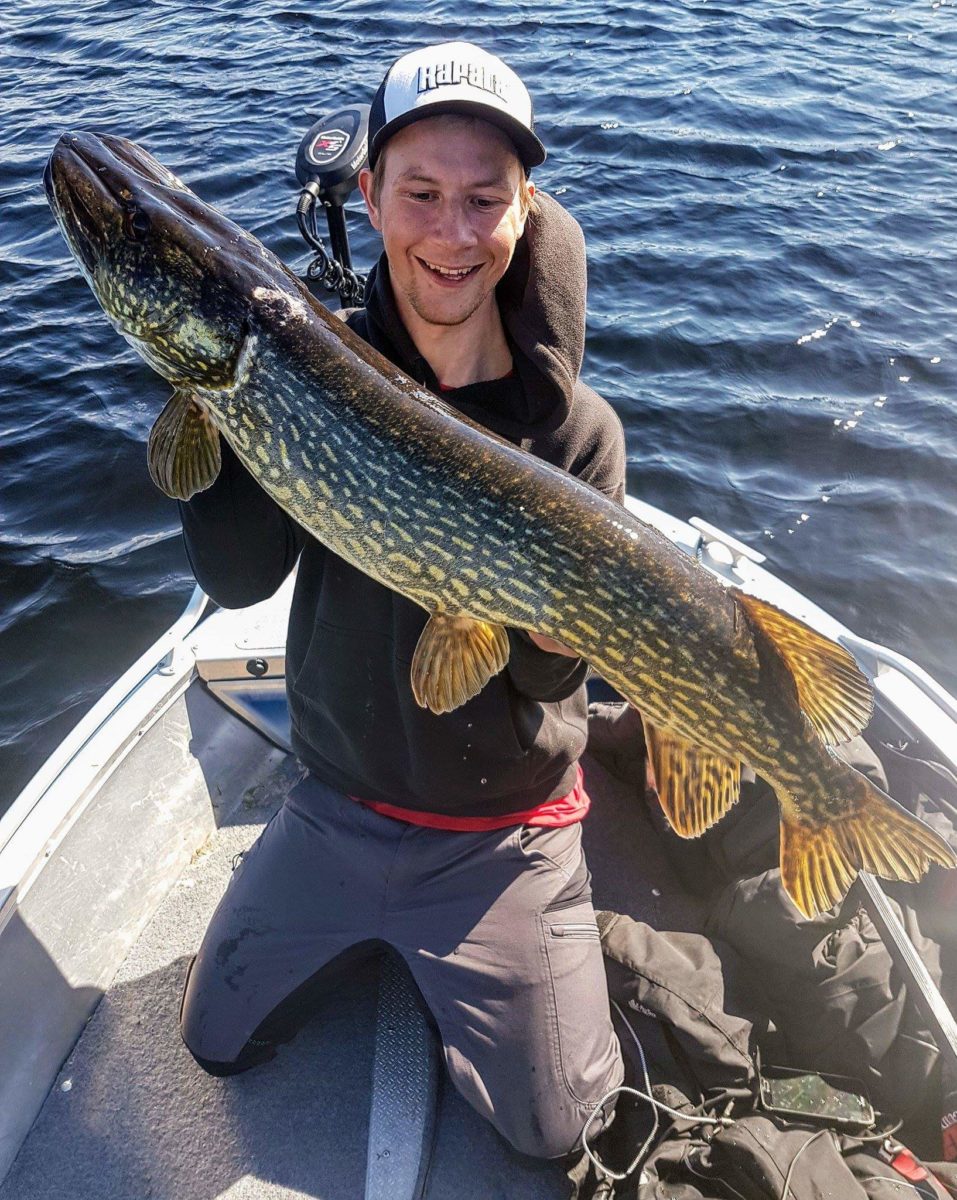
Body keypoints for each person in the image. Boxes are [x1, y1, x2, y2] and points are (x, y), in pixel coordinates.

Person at [178, 40, 627, 1160]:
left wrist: (551, 635)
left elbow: (538, 679)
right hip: (339, 799)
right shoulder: (307, 365)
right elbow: (238, 580)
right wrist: (211, 400)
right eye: (421, 193)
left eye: (487, 200)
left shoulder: (578, 436)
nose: (453, 232)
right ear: (371, 194)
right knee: (215, 1043)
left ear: (527, 211)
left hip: (502, 835)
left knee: (561, 1130)